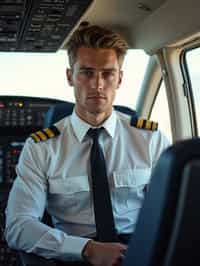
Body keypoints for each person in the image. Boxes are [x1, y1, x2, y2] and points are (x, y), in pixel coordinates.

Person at [5, 25, 169, 266]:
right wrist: (88, 249)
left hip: (139, 251)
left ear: (120, 78)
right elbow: (18, 226)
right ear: (71, 76)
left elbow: (172, 208)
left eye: (108, 73)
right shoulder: (41, 148)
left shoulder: (150, 139)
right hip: (73, 254)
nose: (98, 84)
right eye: (87, 73)